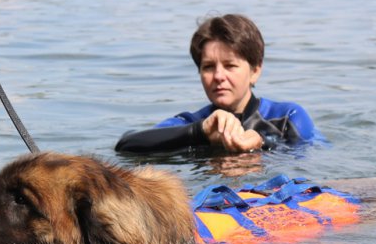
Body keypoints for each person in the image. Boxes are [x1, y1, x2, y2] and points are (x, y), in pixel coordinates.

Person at [115, 14, 324, 154]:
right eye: (208, 67)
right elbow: (126, 144)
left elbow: (312, 155)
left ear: (255, 71)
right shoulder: (194, 122)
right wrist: (200, 133)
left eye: (230, 65)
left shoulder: (287, 117)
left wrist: (262, 143)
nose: (218, 76)